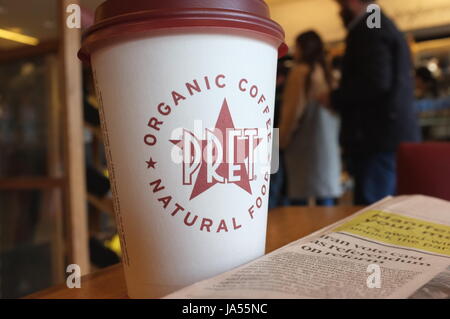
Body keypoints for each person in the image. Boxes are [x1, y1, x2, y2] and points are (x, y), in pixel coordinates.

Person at [331, 0, 421, 205]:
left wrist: (335, 97)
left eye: (341, 4)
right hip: (386, 135)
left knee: (374, 210)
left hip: (377, 138)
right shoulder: (378, 20)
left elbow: (375, 81)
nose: (340, 11)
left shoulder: (371, 23)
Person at [279, 31, 342, 206]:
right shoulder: (328, 74)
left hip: (304, 145)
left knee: (299, 203)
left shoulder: (300, 73)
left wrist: (282, 140)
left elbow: (292, 112)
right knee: (326, 199)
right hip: (327, 145)